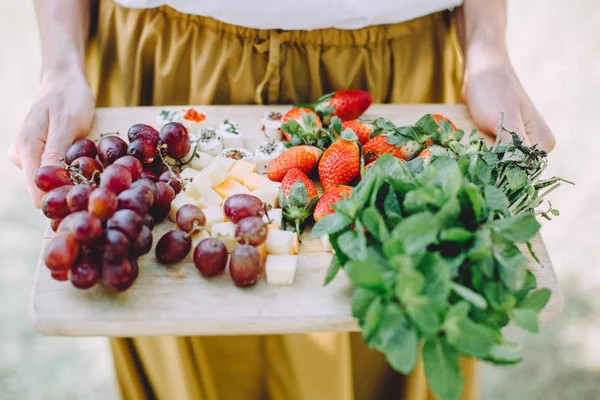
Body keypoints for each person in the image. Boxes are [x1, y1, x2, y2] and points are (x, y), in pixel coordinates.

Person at [10, 1, 555, 399]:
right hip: (168, 60)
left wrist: (487, 51)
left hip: (395, 60)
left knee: (385, 325)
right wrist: (60, 64)